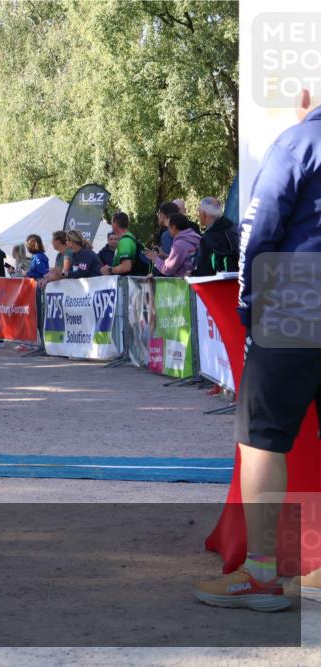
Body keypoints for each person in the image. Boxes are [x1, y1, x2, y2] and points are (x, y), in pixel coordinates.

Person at [193, 89, 321, 611]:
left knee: (261, 437)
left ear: (308, 97)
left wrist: (250, 306)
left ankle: (262, 574)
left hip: (295, 301)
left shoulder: (299, 141)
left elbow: (257, 229)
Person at [192, 196, 240, 276]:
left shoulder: (207, 239)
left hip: (218, 285)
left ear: (204, 214)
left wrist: (193, 273)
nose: (198, 214)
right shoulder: (235, 229)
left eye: (199, 211)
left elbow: (203, 271)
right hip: (240, 282)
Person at [101, 212, 149, 277]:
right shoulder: (128, 237)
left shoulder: (125, 241)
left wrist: (109, 270)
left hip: (129, 283)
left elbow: (126, 267)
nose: (111, 224)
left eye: (112, 222)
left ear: (115, 224)